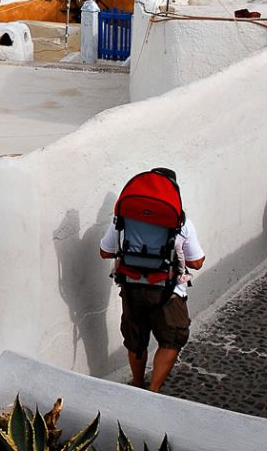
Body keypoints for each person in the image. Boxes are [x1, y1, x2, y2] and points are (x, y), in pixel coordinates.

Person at [99, 169, 205, 395]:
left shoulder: (123, 219)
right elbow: (196, 262)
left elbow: (104, 252)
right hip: (168, 291)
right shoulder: (181, 222)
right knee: (172, 339)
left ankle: (137, 385)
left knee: (136, 339)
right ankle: (153, 390)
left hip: (131, 286)